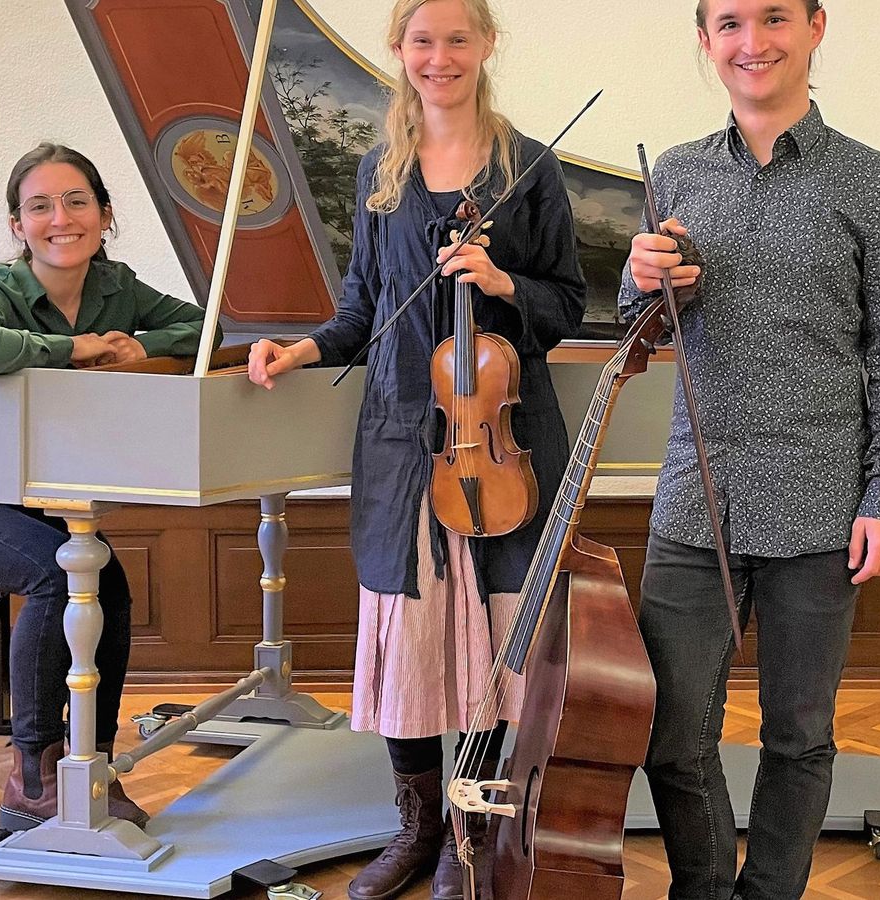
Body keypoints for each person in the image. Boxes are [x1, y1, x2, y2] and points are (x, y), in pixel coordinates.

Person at [246, 1, 585, 896]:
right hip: (404, 440)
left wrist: (503, 279)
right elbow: (363, 307)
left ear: (486, 47)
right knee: (413, 643)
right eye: (422, 41)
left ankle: (471, 836)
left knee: (491, 645)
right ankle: (417, 828)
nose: (439, 57)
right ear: (400, 51)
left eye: (457, 39)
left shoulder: (529, 169)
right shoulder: (378, 172)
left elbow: (569, 305)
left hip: (502, 439)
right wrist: (301, 348)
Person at [618, 1, 880, 896]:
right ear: (705, 40)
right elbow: (634, 323)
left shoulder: (874, 179)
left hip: (823, 502)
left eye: (771, 18)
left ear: (815, 27)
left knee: (798, 736)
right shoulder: (676, 173)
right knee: (672, 734)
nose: (751, 42)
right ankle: (706, 888)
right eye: (728, 23)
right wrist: (642, 277)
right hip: (697, 496)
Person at [0, 142, 215, 832]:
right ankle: (32, 776)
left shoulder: (116, 288)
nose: (60, 218)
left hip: (19, 495)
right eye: (39, 206)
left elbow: (205, 329)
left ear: (105, 214)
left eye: (76, 201)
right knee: (56, 577)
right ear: (17, 225)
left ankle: (89, 761)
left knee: (108, 581)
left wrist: (138, 347)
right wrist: (81, 348)